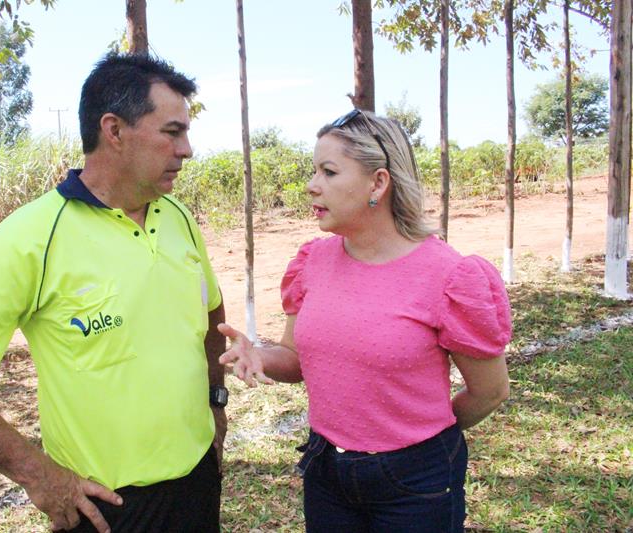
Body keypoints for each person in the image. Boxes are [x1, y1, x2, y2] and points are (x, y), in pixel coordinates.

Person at [0, 52, 228, 533]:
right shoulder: (34, 235)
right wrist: (38, 475)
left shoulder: (176, 216)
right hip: (107, 507)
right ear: (113, 131)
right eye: (172, 132)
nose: (187, 150)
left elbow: (211, 312)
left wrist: (216, 403)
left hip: (199, 480)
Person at [218, 109, 512, 532]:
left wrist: (418, 442)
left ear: (378, 182)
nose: (311, 185)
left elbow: (490, 391)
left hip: (417, 482)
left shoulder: (449, 275)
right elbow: (295, 359)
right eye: (314, 170)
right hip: (326, 473)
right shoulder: (312, 262)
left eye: (329, 172)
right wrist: (261, 356)